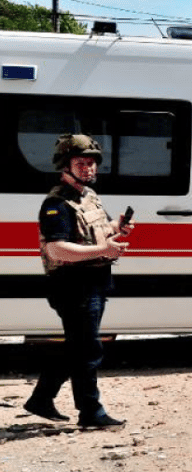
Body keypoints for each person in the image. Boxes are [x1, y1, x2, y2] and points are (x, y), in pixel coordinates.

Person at [24, 134, 130, 429]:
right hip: (72, 285)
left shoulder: (87, 196)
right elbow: (56, 249)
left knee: (77, 346)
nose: (89, 168)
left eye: (92, 163)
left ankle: (41, 398)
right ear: (65, 165)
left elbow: (98, 229)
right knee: (88, 350)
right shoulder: (57, 204)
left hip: (94, 281)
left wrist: (117, 228)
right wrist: (104, 250)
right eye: (81, 163)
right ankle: (90, 412)